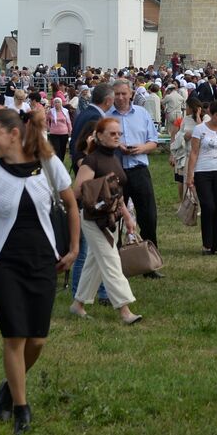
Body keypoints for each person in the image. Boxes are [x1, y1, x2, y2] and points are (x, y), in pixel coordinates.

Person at [0, 108, 80, 435]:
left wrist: (72, 249)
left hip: (43, 261)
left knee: (38, 339)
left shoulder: (49, 165)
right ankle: (21, 408)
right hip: (2, 264)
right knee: (14, 335)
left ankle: (9, 387)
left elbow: (71, 205)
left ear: (14, 134)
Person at [69, 117, 144, 324]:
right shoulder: (91, 160)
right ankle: (124, 309)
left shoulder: (115, 157)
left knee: (94, 262)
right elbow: (77, 191)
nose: (117, 137)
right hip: (93, 220)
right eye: (112, 134)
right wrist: (98, 190)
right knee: (111, 261)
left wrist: (127, 217)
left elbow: (116, 191)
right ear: (99, 136)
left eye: (118, 134)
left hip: (112, 219)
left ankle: (78, 304)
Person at [106, 80, 162, 275]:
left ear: (131, 94)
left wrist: (141, 148)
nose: (120, 98)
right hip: (115, 171)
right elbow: (99, 142)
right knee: (114, 217)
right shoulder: (106, 116)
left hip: (139, 170)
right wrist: (117, 146)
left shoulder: (142, 113)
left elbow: (153, 141)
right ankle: (116, 264)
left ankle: (150, 263)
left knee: (148, 216)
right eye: (117, 94)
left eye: (123, 94)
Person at [185, 101, 217, 255]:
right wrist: (190, 174)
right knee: (208, 206)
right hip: (202, 171)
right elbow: (194, 152)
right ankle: (207, 243)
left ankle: (216, 246)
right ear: (211, 114)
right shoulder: (199, 129)